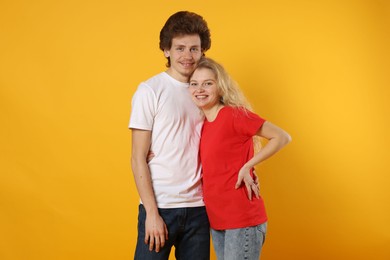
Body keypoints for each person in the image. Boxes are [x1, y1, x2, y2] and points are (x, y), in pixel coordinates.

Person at [188, 57, 292, 260]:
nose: (200, 89)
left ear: (220, 87)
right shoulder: (204, 125)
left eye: (208, 83)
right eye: (194, 84)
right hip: (218, 221)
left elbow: (282, 137)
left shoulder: (234, 115)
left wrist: (248, 166)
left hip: (242, 219)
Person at [128, 11, 212, 260]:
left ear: (203, 50)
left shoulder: (206, 91)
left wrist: (248, 169)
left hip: (199, 209)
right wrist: (152, 213)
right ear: (166, 50)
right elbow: (137, 157)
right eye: (180, 48)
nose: (188, 56)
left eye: (194, 49)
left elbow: (227, 136)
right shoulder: (150, 90)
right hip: (161, 207)